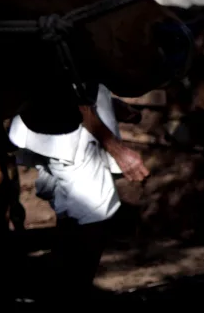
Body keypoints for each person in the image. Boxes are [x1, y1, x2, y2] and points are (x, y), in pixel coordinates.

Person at [8, 83, 148, 293]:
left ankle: (64, 295)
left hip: (50, 129)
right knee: (94, 218)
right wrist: (118, 150)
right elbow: (79, 100)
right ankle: (73, 299)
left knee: (71, 218)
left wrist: (109, 106)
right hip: (70, 135)